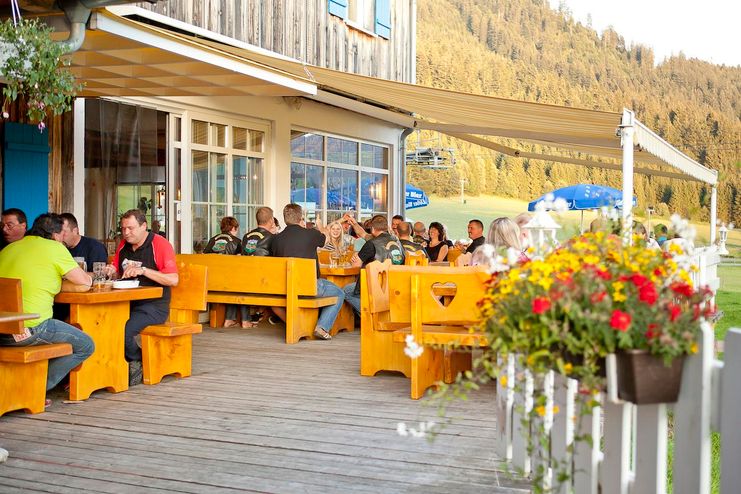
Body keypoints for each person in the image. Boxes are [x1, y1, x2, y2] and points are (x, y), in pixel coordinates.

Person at [0, 213, 94, 402]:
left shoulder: (8, 249)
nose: (62, 241)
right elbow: (84, 282)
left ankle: (23, 385)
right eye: (61, 237)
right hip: (31, 328)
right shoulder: (54, 248)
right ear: (55, 235)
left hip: (3, 330)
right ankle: (34, 388)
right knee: (86, 345)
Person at [106, 209, 178, 386]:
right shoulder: (123, 245)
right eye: (123, 229)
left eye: (130, 228)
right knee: (103, 324)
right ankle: (109, 368)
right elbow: (118, 272)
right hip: (125, 302)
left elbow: (173, 279)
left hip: (153, 305)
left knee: (124, 330)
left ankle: (140, 360)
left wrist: (144, 270)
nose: (126, 233)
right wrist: (111, 271)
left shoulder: (160, 245)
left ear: (144, 226)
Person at [270, 204, 344, 341]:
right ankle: (322, 327)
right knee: (340, 293)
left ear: (285, 219)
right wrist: (321, 226)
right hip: (308, 287)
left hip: (284, 287)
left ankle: (295, 323)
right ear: (300, 218)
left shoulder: (275, 239)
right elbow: (326, 239)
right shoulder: (311, 234)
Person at [343, 215, 405, 314]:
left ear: (372, 229)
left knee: (345, 291)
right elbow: (363, 234)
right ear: (386, 227)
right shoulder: (396, 240)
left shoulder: (371, 243)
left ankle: (371, 314)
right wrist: (354, 223)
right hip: (394, 283)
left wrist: (356, 258)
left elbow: (356, 265)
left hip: (376, 284)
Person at [205, 216, 248, 328]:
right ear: (233, 228)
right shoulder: (237, 242)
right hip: (228, 282)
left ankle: (229, 319)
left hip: (212, 281)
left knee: (232, 283)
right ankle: (244, 320)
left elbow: (205, 257)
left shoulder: (212, 240)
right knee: (241, 284)